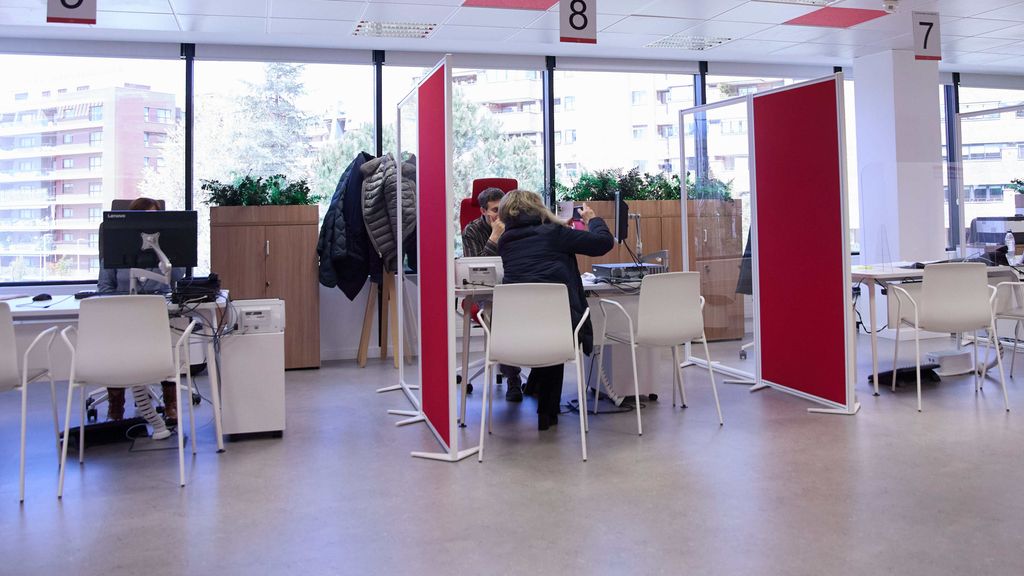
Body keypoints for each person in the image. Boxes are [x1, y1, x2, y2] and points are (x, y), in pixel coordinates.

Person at [497, 190, 614, 430]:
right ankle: (547, 412)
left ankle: (544, 405)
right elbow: (603, 243)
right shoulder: (554, 234)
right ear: (538, 209)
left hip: (516, 328)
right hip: (561, 325)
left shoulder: (505, 241)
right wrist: (592, 219)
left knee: (547, 323)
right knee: (555, 325)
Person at [97, 196, 185, 440]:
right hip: (122, 318)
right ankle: (116, 410)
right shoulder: (116, 250)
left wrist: (168, 253)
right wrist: (124, 304)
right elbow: (104, 288)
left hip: (156, 316)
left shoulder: (163, 250)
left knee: (166, 348)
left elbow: (176, 281)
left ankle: (170, 405)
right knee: (117, 352)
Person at [461, 187, 525, 401]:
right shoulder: (472, 231)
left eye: (504, 209)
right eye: (495, 210)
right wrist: (495, 236)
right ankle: (513, 377)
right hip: (482, 293)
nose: (500, 215)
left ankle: (537, 375)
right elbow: (475, 268)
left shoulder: (517, 226)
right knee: (500, 315)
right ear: (483, 211)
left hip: (512, 286)